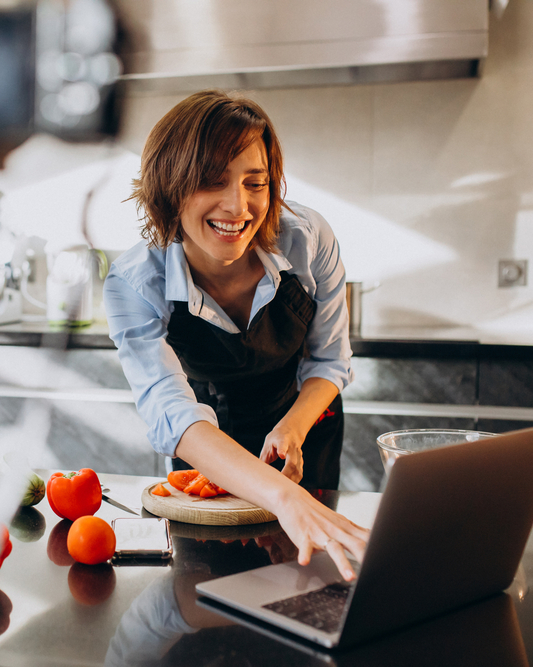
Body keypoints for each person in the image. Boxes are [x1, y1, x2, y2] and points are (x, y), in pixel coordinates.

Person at [103, 90, 368, 580]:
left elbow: (329, 362)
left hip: (304, 433)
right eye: (212, 181)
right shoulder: (136, 282)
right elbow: (172, 412)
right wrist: (280, 495)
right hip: (209, 444)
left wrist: (292, 429)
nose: (238, 206)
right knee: (209, 592)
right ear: (169, 187)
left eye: (256, 183)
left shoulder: (308, 239)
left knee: (301, 589)